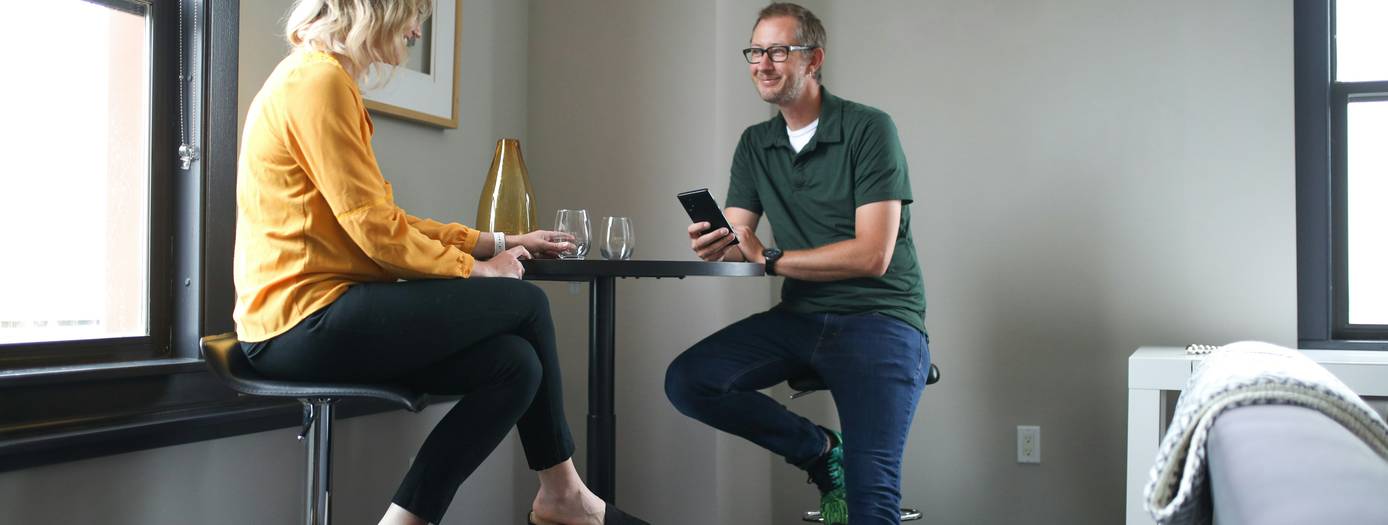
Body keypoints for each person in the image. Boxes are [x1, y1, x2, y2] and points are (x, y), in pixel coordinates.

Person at [234, 2, 647, 524]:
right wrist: (480, 271)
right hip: (298, 324)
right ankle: (564, 497)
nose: (414, 29)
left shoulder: (313, 78)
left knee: (516, 365)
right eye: (412, 15)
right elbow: (376, 231)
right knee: (524, 302)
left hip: (312, 318)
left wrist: (497, 241)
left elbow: (382, 218)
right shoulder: (318, 83)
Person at [664, 3, 929, 525]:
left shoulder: (869, 129)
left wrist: (770, 257)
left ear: (814, 59)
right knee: (689, 381)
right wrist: (719, 241)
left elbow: (873, 255)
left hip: (883, 319)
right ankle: (818, 449)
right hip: (802, 317)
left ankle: (846, 467)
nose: (763, 63)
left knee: (871, 502)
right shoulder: (756, 144)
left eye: (778, 51)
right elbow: (743, 238)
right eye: (756, 51)